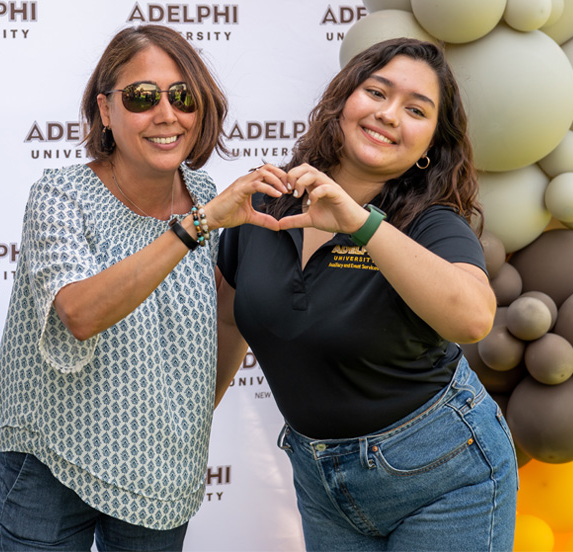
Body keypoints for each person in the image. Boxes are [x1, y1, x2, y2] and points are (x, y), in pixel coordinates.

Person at [0, 25, 287, 551]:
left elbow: (224, 319)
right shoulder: (60, 196)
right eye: (143, 97)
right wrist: (194, 226)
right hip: (50, 459)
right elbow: (81, 313)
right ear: (106, 111)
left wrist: (188, 414)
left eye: (184, 96)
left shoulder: (206, 195)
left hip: (159, 470)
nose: (167, 114)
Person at [216, 38, 518, 550]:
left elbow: (473, 319)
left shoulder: (431, 224)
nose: (389, 114)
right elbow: (228, 319)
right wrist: (197, 422)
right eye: (377, 92)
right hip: (320, 474)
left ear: (429, 147)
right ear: (342, 103)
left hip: (444, 475)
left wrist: (359, 221)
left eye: (416, 110)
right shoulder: (264, 199)